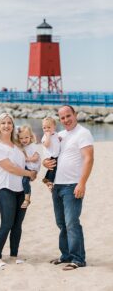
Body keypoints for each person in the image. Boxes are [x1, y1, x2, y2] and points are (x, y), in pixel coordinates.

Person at [43, 105, 94, 271]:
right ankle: (65, 255)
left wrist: (82, 183)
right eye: (62, 118)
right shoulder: (60, 135)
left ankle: (78, 259)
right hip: (57, 185)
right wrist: (44, 163)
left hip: (72, 185)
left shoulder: (83, 133)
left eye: (68, 116)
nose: (65, 120)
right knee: (61, 223)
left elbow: (88, 159)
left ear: (75, 115)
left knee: (72, 223)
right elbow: (50, 153)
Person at [0, 113, 36, 268]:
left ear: (13, 126)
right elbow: (10, 168)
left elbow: (28, 161)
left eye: (9, 122)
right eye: (3, 123)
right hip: (6, 189)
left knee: (18, 224)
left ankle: (14, 255)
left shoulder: (18, 145)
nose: (6, 125)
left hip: (22, 190)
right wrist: (29, 173)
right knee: (7, 223)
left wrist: (33, 172)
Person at [16, 125, 41, 208]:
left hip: (32, 167)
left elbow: (36, 157)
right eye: (21, 138)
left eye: (26, 137)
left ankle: (27, 199)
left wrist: (27, 159)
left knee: (25, 181)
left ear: (30, 136)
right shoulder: (23, 146)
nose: (24, 140)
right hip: (27, 167)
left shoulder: (33, 146)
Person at [41, 117, 61, 191]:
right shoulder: (45, 137)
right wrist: (48, 136)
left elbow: (57, 141)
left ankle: (46, 179)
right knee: (53, 168)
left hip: (55, 155)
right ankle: (50, 182)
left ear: (54, 127)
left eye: (49, 127)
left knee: (53, 169)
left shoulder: (56, 134)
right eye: (44, 128)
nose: (46, 129)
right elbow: (46, 145)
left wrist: (60, 139)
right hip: (49, 156)